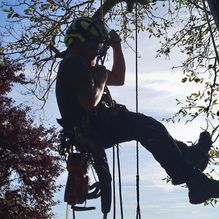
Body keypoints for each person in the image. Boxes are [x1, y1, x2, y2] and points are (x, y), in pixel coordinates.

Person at [56, 16, 219, 205]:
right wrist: (100, 78)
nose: (98, 48)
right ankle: (195, 182)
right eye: (95, 44)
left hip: (97, 125)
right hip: (91, 128)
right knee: (146, 126)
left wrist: (116, 47)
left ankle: (186, 155)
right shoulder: (72, 63)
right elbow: (89, 102)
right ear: (79, 41)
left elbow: (118, 77)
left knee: (151, 128)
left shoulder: (86, 66)